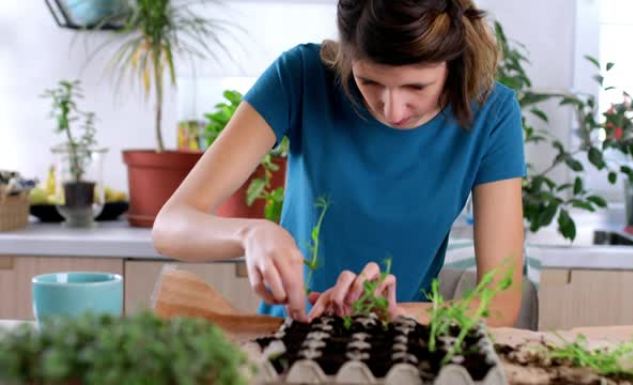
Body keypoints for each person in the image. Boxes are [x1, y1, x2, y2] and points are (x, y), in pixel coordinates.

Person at [152, 0, 525, 326]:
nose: (391, 110)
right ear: (346, 55)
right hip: (287, 342)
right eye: (369, 81)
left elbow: (500, 305)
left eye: (416, 87)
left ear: (453, 62)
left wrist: (393, 313)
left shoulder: (493, 115)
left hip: (401, 347)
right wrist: (250, 233)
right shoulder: (300, 76)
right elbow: (170, 225)